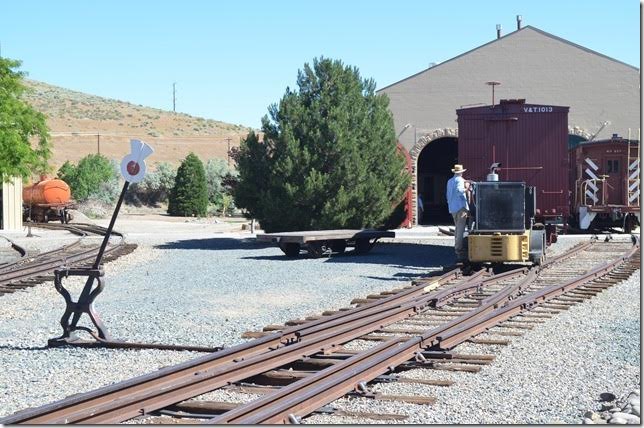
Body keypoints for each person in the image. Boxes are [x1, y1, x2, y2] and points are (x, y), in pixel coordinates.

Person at [446, 164, 470, 263]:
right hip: (460, 207)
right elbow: (460, 191)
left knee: (457, 228)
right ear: (461, 172)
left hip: (453, 207)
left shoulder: (449, 181)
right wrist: (467, 188)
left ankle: (458, 248)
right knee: (460, 229)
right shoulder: (460, 180)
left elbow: (447, 195)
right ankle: (459, 250)